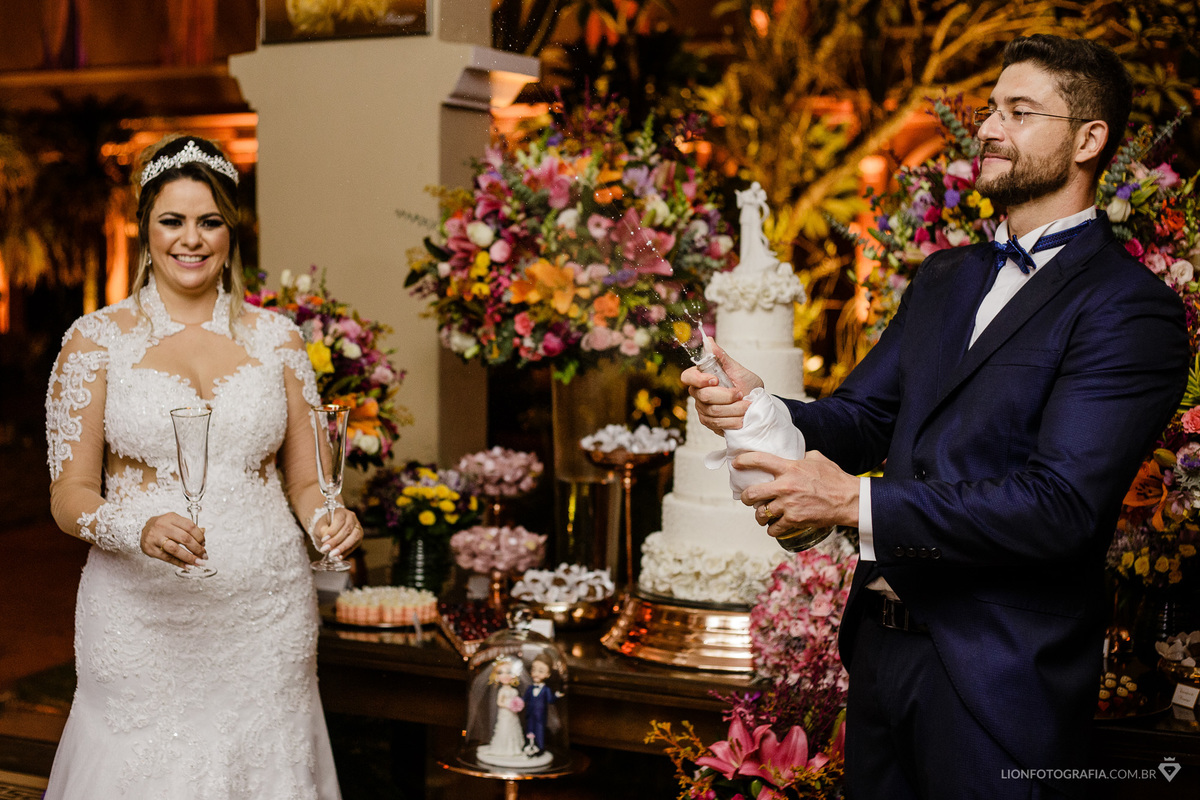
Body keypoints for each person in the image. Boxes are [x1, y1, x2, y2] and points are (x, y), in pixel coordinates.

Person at [684, 35, 1189, 799]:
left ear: (1090, 139)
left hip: (1003, 678)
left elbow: (1059, 510)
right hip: (883, 656)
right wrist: (760, 404)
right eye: (991, 108)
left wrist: (853, 502)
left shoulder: (1129, 309)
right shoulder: (947, 276)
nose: (989, 128)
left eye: (1020, 112)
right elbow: (862, 418)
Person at [43, 134, 362, 799]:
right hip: (141, 615)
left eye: (209, 220)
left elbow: (307, 481)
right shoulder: (95, 341)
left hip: (264, 612)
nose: (192, 239)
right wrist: (133, 529)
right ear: (145, 230)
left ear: (231, 229)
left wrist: (332, 518)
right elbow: (69, 494)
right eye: (173, 221)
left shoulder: (277, 338)